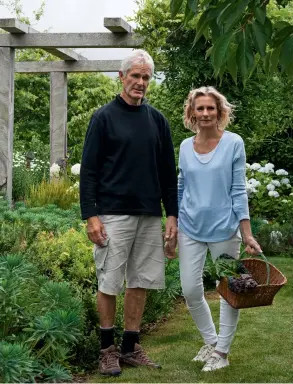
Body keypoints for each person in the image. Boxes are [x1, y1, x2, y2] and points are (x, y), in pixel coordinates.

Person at [80, 49, 178, 377]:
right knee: (109, 282)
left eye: (145, 77)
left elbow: (168, 174)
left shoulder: (157, 121)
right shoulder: (103, 117)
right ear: (121, 78)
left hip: (150, 215)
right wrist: (91, 215)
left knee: (141, 281)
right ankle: (107, 350)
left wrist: (172, 217)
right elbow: (89, 171)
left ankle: (130, 348)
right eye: (134, 76)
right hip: (113, 215)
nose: (140, 82)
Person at [177, 86, 262, 372]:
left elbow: (238, 190)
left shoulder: (233, 143)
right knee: (190, 289)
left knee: (229, 289)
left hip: (225, 229)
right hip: (190, 226)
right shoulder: (185, 147)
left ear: (219, 111)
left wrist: (246, 232)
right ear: (192, 112)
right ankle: (211, 342)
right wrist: (173, 224)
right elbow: (181, 187)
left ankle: (222, 352)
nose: (204, 113)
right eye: (199, 108)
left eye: (210, 108)